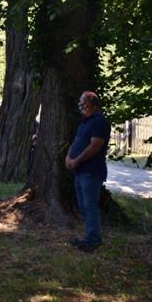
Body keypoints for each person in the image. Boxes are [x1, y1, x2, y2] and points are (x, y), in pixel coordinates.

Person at [66, 91, 110, 252]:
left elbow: (94, 147)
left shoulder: (100, 122)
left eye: (83, 103)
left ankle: (93, 241)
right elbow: (77, 141)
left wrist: (76, 161)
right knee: (83, 206)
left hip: (91, 171)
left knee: (90, 205)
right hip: (80, 171)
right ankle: (89, 236)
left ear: (93, 104)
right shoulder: (85, 122)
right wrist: (68, 157)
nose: (80, 106)